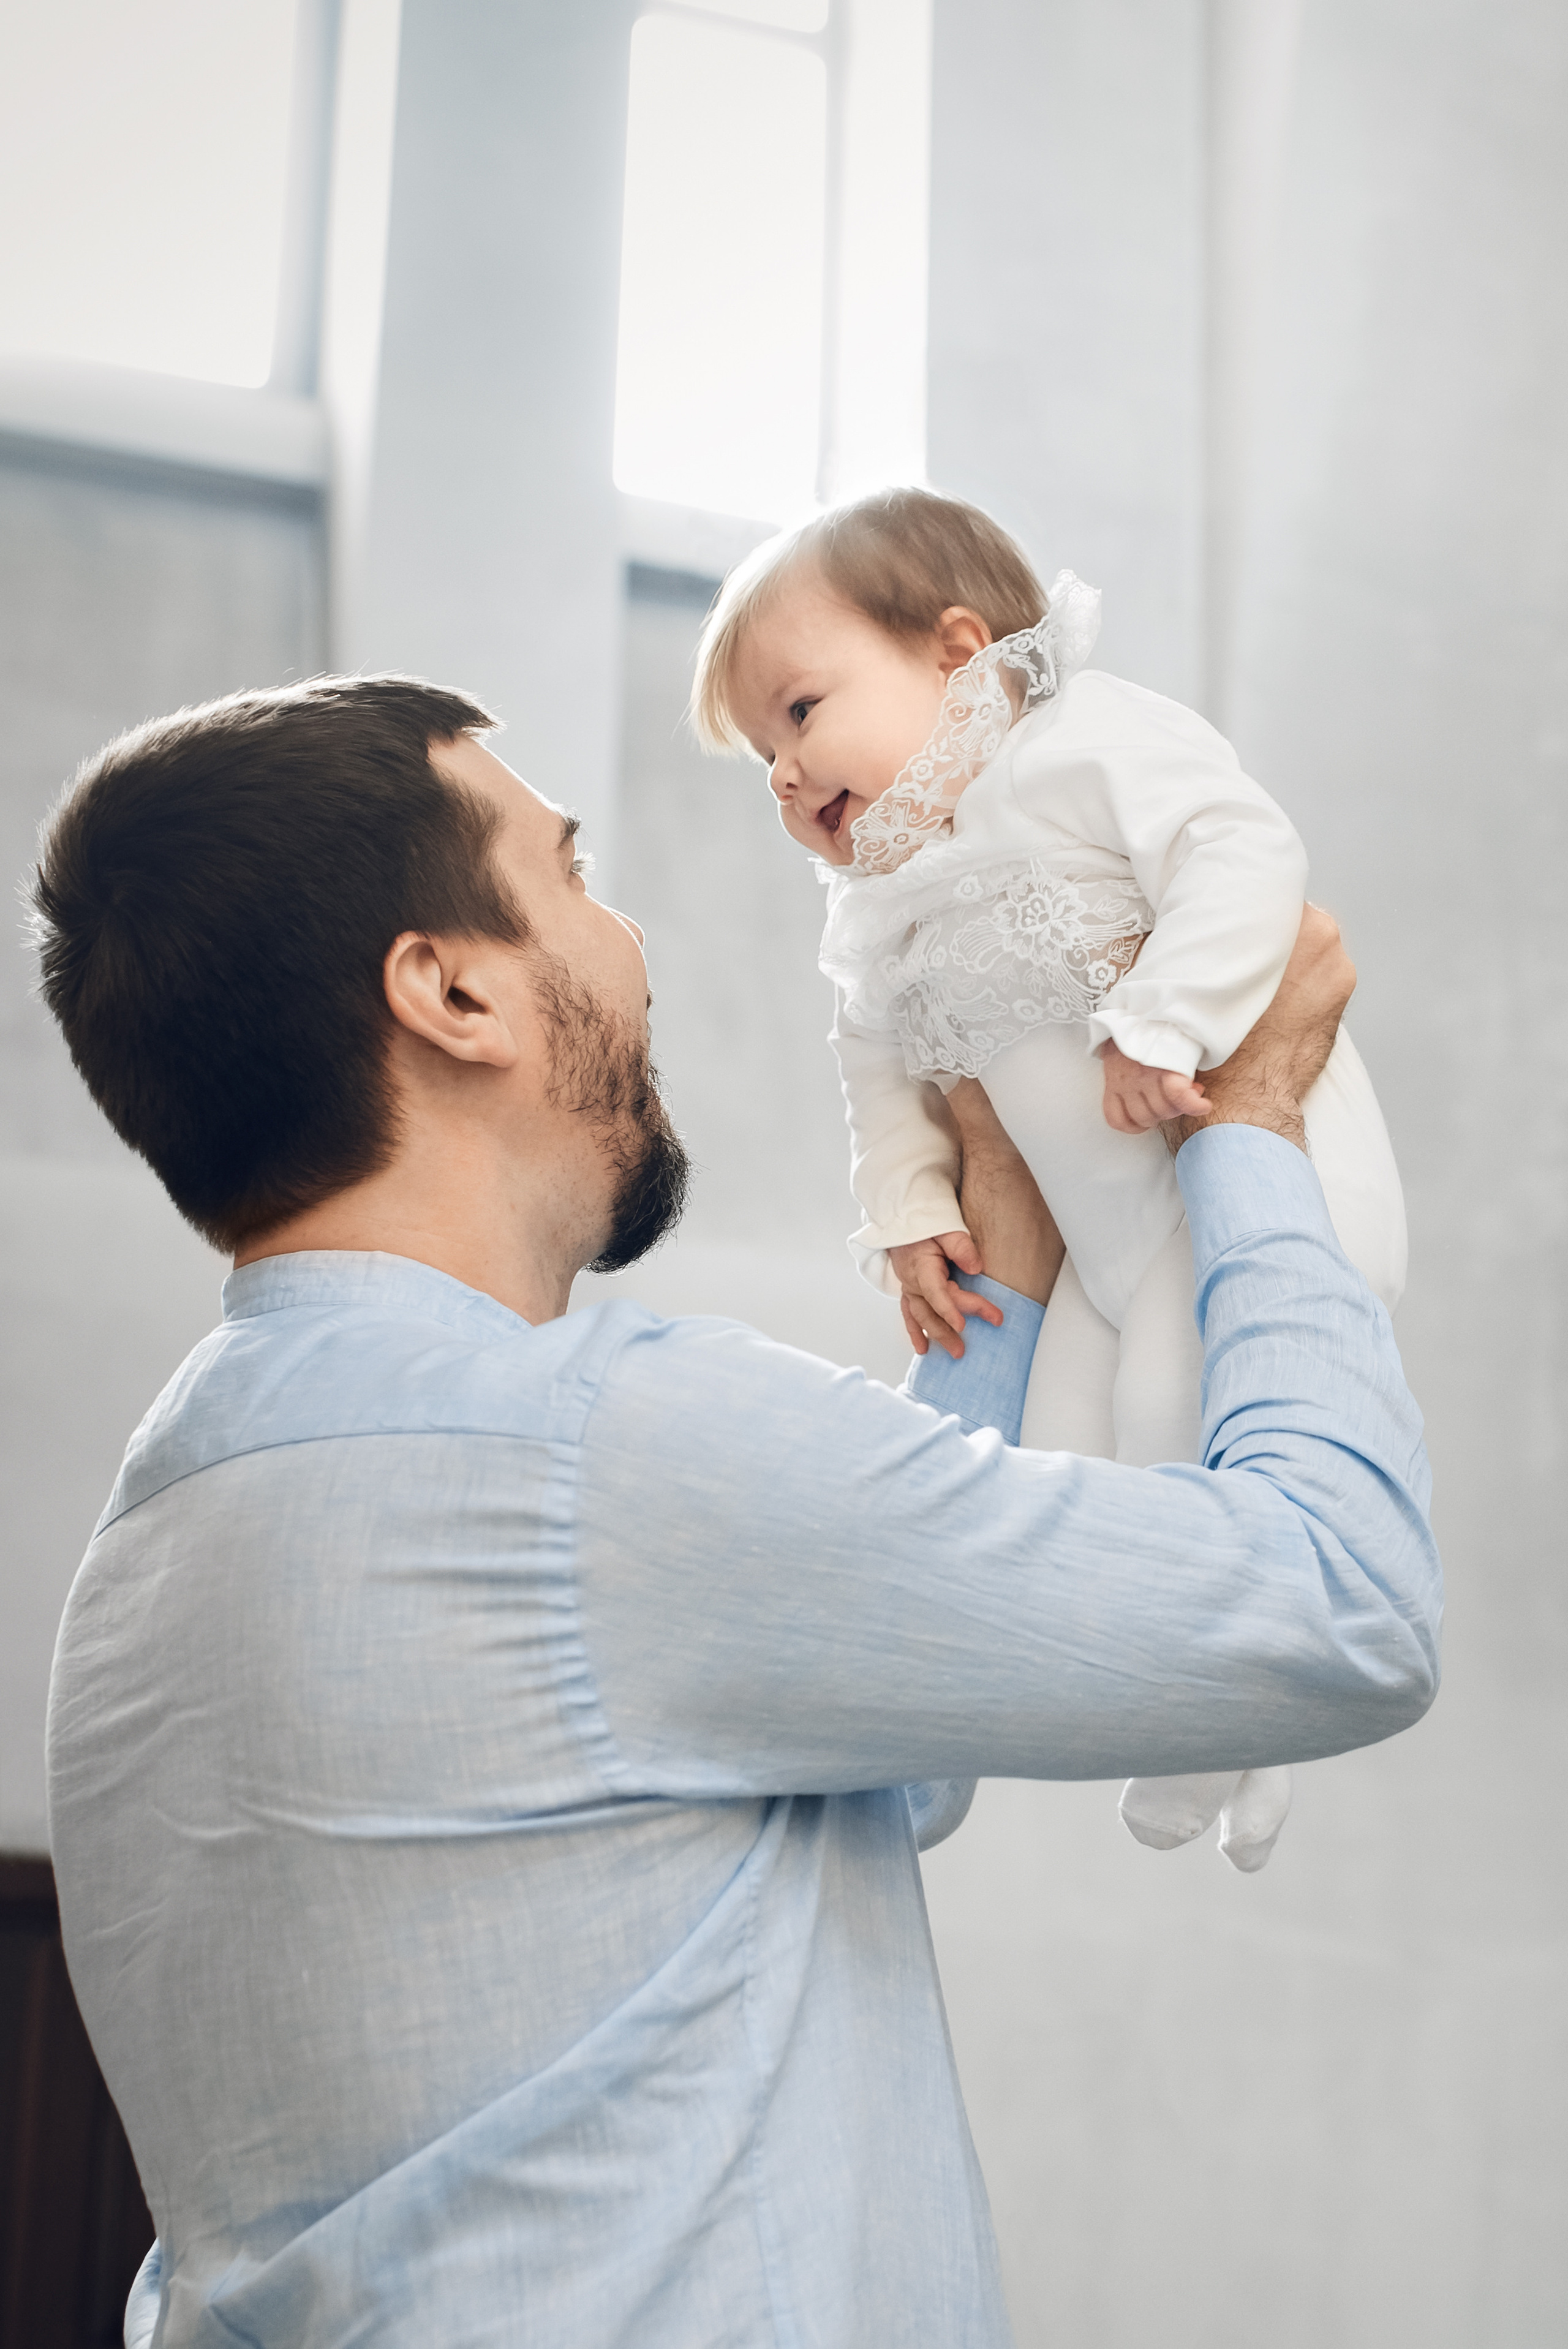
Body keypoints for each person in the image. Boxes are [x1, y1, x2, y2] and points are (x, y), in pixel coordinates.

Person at [33, 676, 1438, 2349]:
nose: (629, 944)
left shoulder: (145, 1551)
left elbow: (858, 1774)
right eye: (571, 874)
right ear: (455, 988)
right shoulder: (599, 1448)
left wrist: (999, 1275)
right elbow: (1344, 1598)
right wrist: (1259, 1123)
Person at [694, 485, 1409, 1870]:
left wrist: (1167, 1020)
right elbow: (879, 1079)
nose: (783, 776)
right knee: (1063, 1473)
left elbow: (1243, 850)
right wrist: (909, 1208)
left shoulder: (1080, 743)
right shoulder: (876, 909)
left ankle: (1226, 1741)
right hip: (1101, 1249)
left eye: (796, 714)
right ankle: (1209, 1718)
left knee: (1169, 1409)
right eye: (757, 763)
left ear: (958, 653)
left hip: (1268, 1177)